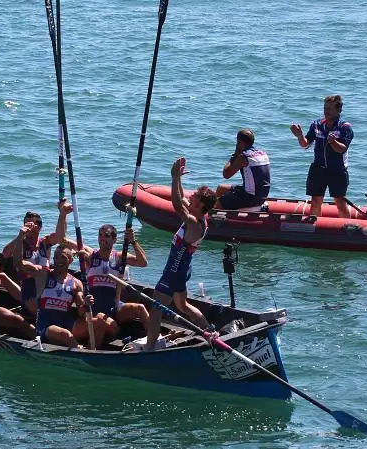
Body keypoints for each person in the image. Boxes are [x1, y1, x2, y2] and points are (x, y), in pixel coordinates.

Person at [144, 158, 217, 351]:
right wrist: (178, 180)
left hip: (175, 270)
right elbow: (182, 199)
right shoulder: (198, 216)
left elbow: (177, 204)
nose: (191, 196)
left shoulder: (194, 223)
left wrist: (174, 177)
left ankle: (149, 348)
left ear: (201, 206)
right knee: (182, 305)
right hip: (182, 269)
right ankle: (210, 331)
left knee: (156, 308)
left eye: (196, 197)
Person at [73, 224, 152, 349]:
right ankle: (93, 351)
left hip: (113, 309)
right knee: (99, 319)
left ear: (114, 240)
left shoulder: (120, 257)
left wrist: (133, 241)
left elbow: (143, 263)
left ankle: (153, 340)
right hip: (95, 311)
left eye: (107, 236)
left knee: (140, 308)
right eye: (100, 235)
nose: (103, 238)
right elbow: (66, 242)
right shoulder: (91, 255)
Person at [2, 200, 72, 317]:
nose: (29, 227)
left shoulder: (45, 242)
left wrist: (62, 214)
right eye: (26, 224)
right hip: (29, 288)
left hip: (47, 286)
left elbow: (60, 237)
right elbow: (5, 254)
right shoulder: (20, 243)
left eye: (32, 225)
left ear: (39, 227)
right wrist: (20, 236)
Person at [290, 94, 354, 218]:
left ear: (338, 110)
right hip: (318, 168)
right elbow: (305, 144)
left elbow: (342, 149)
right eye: (325, 108)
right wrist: (299, 136)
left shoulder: (345, 128)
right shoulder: (317, 124)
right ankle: (316, 227)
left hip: (337, 170)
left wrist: (332, 142)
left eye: (329, 109)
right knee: (315, 201)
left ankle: (346, 227)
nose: (326, 112)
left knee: (340, 202)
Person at [21, 246, 90, 348]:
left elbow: (81, 312)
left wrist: (86, 303)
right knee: (65, 334)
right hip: (46, 326)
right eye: (56, 257)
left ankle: (93, 350)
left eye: (62, 257)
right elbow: (19, 264)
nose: (58, 261)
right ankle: (82, 353)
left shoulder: (77, 283)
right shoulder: (44, 275)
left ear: (70, 260)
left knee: (97, 323)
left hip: (66, 324)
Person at [215, 129, 271, 210]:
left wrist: (234, 155)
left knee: (218, 203)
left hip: (249, 197)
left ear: (239, 142)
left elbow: (226, 174)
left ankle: (215, 219)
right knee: (221, 188)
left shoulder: (243, 157)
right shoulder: (263, 154)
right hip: (262, 196)